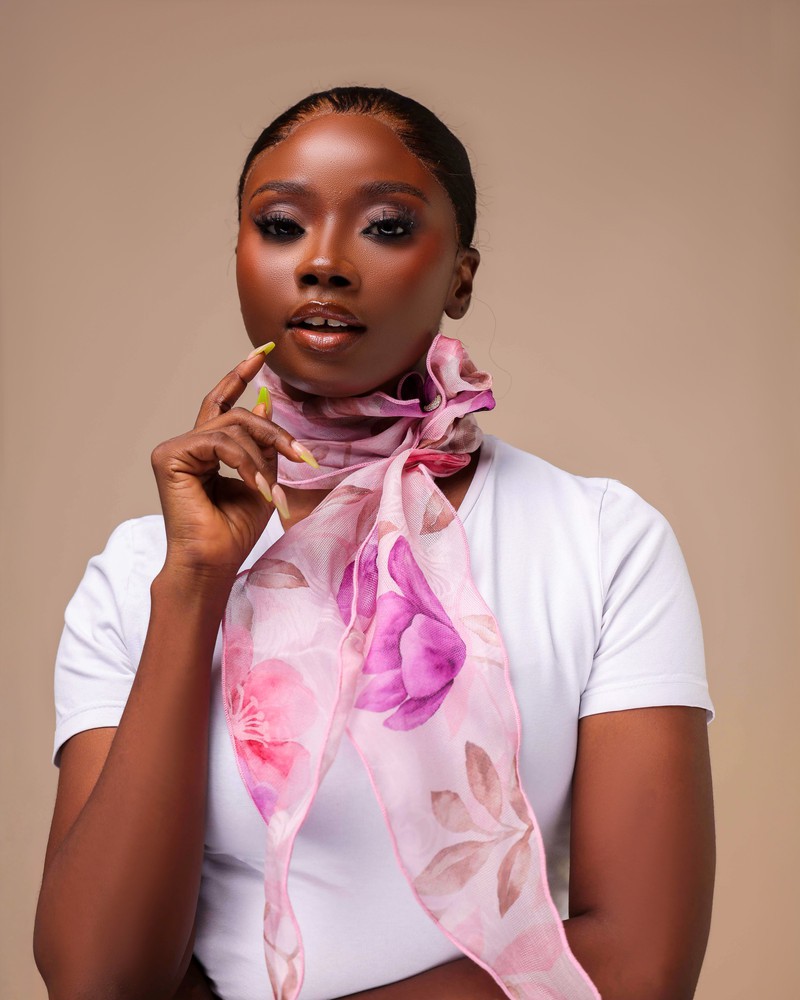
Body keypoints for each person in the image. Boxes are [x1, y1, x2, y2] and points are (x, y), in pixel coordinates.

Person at [34, 86, 716, 1000]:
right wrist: (194, 587)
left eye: (386, 227)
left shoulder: (600, 541)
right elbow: (96, 980)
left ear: (461, 278)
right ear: (239, 258)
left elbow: (640, 962)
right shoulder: (141, 573)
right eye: (281, 226)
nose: (322, 263)